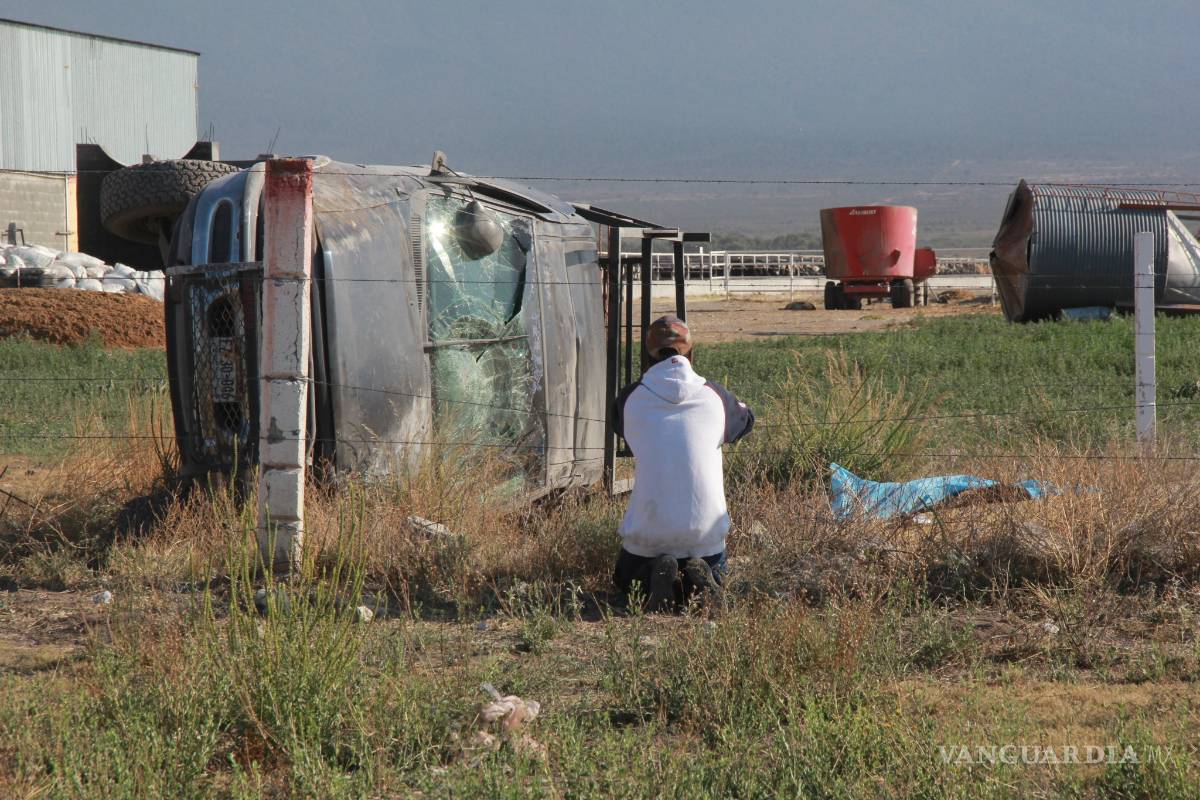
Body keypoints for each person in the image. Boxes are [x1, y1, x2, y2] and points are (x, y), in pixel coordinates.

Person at [612, 314, 754, 611]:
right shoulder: (716, 397)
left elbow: (619, 425)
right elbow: (747, 420)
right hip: (706, 538)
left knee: (625, 582)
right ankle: (698, 576)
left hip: (647, 536)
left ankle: (652, 576)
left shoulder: (629, 400)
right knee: (711, 563)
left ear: (647, 357)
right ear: (691, 353)